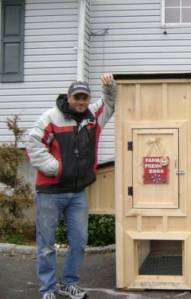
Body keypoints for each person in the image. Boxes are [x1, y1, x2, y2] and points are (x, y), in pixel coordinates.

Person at [25, 73, 116, 299]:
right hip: (50, 192)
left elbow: (111, 102)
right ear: (68, 97)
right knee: (46, 244)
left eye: (84, 97)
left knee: (79, 242)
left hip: (77, 193)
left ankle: (68, 283)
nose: (80, 102)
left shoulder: (93, 117)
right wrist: (57, 168)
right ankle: (47, 289)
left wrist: (109, 86)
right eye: (76, 97)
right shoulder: (51, 117)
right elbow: (33, 145)